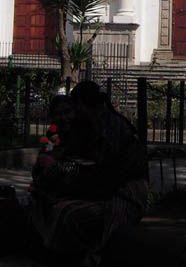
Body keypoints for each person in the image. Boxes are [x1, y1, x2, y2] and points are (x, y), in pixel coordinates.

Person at [28, 84, 148, 264]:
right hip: (94, 187)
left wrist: (62, 173)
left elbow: (105, 174)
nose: (68, 117)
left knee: (70, 214)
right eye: (58, 114)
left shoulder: (113, 128)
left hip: (123, 192)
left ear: (84, 106)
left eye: (72, 110)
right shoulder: (63, 132)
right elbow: (68, 162)